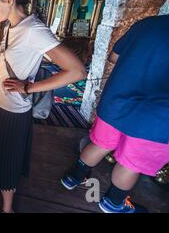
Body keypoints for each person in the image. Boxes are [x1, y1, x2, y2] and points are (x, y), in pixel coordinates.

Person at [0, 0, 87, 213]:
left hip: (13, 111)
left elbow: (77, 71)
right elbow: (8, 62)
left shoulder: (34, 30)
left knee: (8, 160)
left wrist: (28, 87)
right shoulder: (10, 26)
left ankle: (6, 209)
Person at [61, 15, 169, 213]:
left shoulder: (147, 23)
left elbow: (114, 57)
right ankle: (114, 202)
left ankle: (73, 177)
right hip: (157, 117)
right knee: (131, 163)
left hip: (117, 101)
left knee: (101, 144)